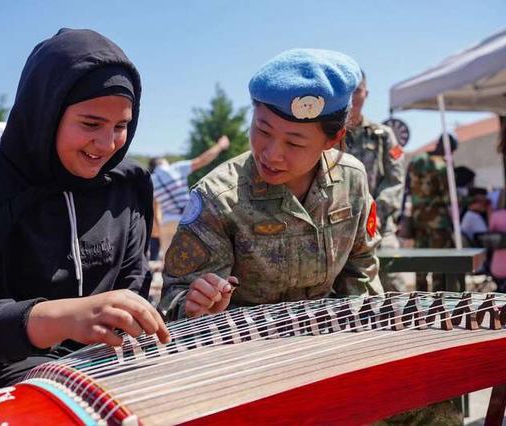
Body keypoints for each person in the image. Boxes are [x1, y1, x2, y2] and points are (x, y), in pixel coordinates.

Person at [159, 48, 461, 426]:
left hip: (331, 351)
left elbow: (361, 272)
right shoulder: (218, 197)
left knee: (434, 407)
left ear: (332, 140)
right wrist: (196, 305)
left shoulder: (351, 181)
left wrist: (371, 349)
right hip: (246, 367)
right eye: (262, 129)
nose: (272, 153)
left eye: (295, 143)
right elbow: (174, 299)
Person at [0, 29, 170, 407]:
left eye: (121, 126)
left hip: (104, 378)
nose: (107, 144)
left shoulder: (126, 186)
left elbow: (132, 289)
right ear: (45, 111)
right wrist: (62, 318)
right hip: (1, 384)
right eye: (90, 124)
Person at [345, 73, 406, 292]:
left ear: (366, 94)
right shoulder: (329, 135)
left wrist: (374, 216)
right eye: (348, 91)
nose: (353, 98)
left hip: (378, 228)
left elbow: (395, 181)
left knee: (392, 282)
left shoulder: (383, 135)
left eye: (357, 91)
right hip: (340, 228)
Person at [149, 135, 230, 256]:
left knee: (170, 263)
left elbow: (154, 208)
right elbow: (202, 160)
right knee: (193, 259)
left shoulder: (151, 180)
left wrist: (157, 227)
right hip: (187, 219)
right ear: (162, 162)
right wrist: (220, 146)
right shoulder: (176, 168)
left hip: (167, 223)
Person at [406, 134, 457, 292]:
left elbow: (407, 188)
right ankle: (436, 303)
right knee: (438, 262)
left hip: (418, 220)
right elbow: (448, 196)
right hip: (438, 222)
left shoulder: (415, 161)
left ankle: (419, 299)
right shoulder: (442, 166)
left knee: (420, 261)